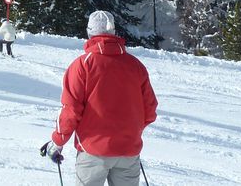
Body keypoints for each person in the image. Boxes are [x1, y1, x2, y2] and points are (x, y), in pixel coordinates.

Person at [41, 11, 157, 186]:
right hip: (128, 151)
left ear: (89, 32)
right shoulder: (135, 65)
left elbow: (71, 110)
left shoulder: (82, 65)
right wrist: (129, 132)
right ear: (114, 32)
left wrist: (58, 141)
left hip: (93, 151)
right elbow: (150, 109)